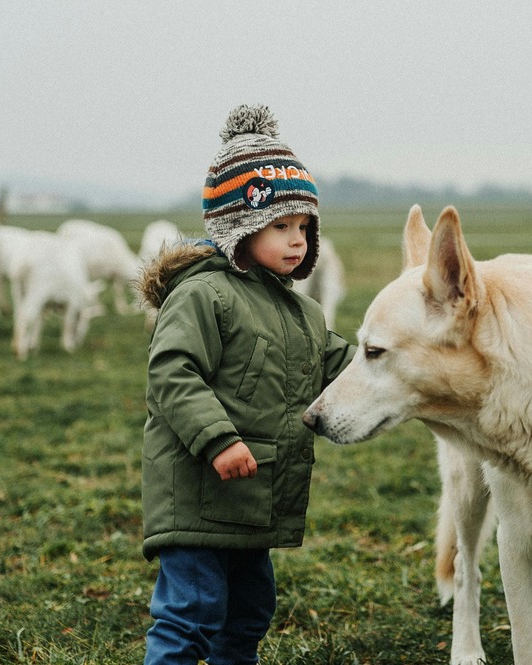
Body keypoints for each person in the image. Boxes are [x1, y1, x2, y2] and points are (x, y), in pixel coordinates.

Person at [137, 104, 355, 665]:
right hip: (200, 493)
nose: (297, 241)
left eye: (303, 227)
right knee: (192, 612)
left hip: (252, 498)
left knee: (251, 611)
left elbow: (339, 363)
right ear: (239, 226)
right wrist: (217, 439)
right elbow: (172, 372)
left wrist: (399, 376)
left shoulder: (299, 313)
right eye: (280, 226)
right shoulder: (202, 295)